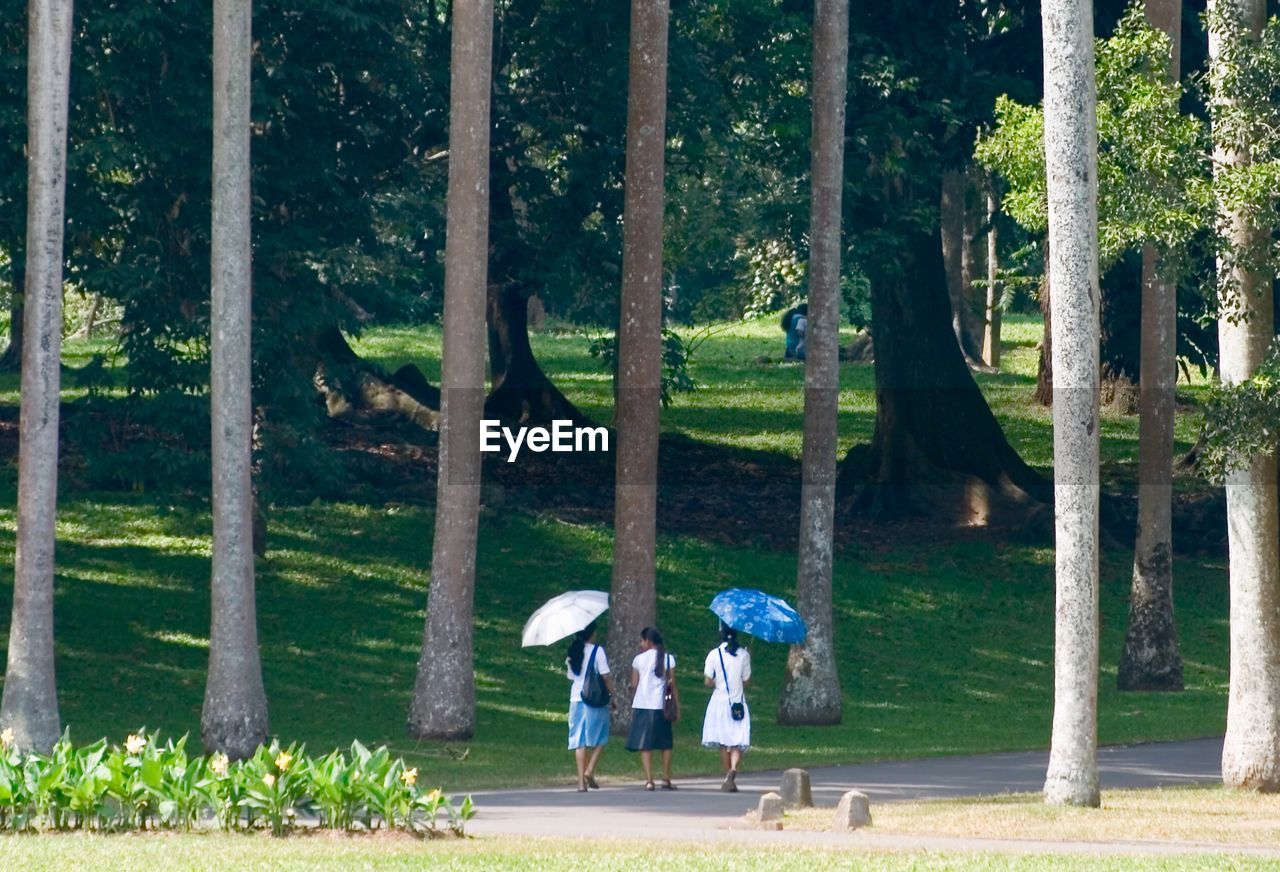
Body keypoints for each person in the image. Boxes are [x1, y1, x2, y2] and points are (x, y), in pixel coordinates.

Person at [626, 626, 679, 790]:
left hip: (643, 704)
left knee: (645, 744)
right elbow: (672, 685)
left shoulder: (638, 660)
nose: (641, 644)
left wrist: (632, 691)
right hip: (661, 705)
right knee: (665, 743)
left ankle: (649, 779)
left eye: (642, 641)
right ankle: (665, 777)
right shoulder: (668, 659)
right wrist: (676, 705)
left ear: (648, 641)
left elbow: (634, 684)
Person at [702, 623, 752, 792]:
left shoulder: (713, 655)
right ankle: (733, 770)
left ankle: (727, 776)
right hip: (738, 702)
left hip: (720, 702)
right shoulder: (743, 655)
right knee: (737, 741)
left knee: (724, 742)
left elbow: (708, 681)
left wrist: (719, 681)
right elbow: (747, 681)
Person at [566, 621, 612, 792]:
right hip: (593, 698)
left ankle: (580, 783)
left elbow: (571, 676)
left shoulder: (572, 651)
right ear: (592, 634)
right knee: (601, 735)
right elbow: (605, 675)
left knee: (579, 741)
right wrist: (611, 695)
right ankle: (590, 769)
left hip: (575, 698)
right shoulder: (597, 650)